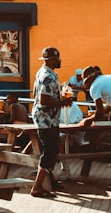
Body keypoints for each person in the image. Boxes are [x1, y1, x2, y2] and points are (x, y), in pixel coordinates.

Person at [30, 46, 67, 197]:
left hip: (48, 118)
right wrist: (62, 102)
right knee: (50, 151)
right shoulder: (48, 76)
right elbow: (43, 99)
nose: (60, 60)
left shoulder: (43, 72)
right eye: (58, 58)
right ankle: (37, 187)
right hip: (46, 119)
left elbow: (35, 93)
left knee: (52, 149)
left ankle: (49, 180)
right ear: (52, 60)